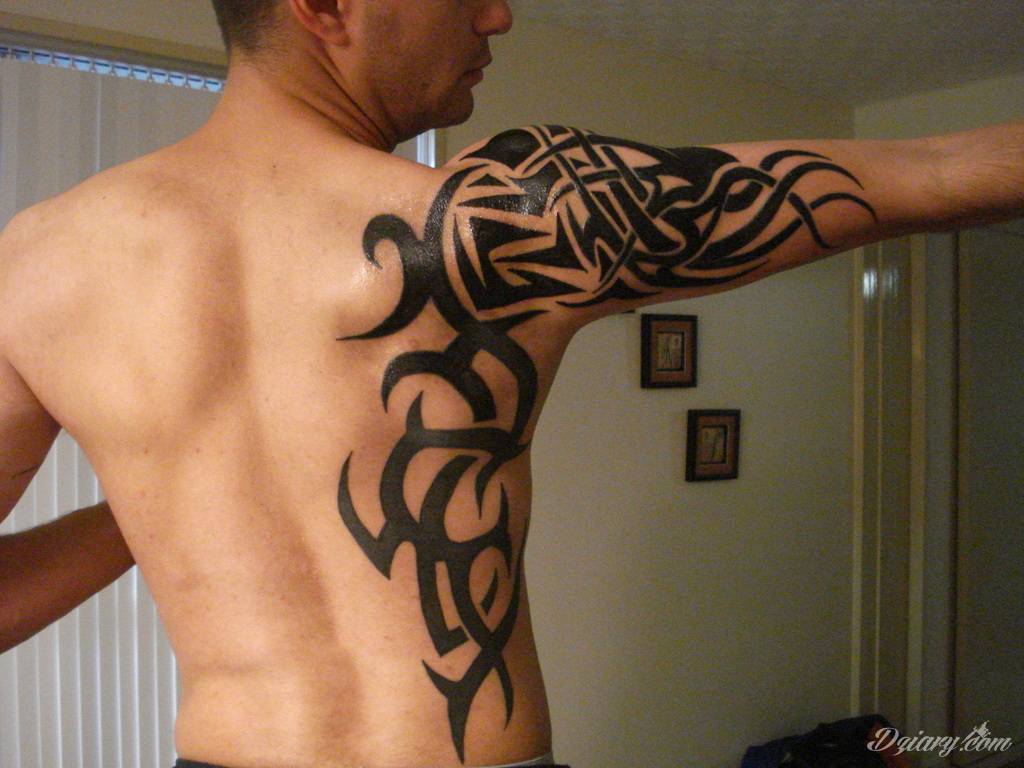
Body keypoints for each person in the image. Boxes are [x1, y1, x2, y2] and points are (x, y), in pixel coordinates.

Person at [0, 1, 1021, 766]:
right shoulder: (507, 222)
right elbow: (931, 170)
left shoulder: (38, 266)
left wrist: (165, 497)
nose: (498, 14)